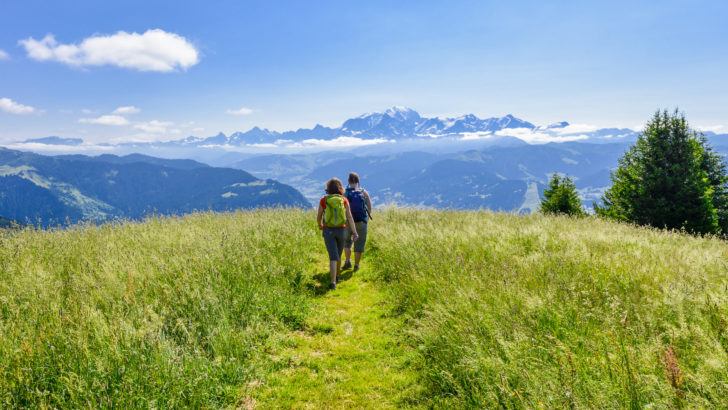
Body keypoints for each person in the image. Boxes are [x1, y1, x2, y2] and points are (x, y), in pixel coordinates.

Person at [317, 178, 358, 290]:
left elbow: (319, 215)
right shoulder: (344, 200)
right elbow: (349, 217)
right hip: (342, 230)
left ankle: (333, 282)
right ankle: (338, 276)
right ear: (340, 188)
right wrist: (354, 232)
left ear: (328, 188)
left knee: (332, 256)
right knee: (338, 255)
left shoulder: (323, 200)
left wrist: (320, 225)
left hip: (328, 230)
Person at [342, 172, 372, 272]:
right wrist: (366, 219)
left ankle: (347, 261)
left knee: (347, 241)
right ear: (358, 181)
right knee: (359, 243)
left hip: (348, 221)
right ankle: (356, 265)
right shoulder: (364, 192)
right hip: (361, 221)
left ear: (349, 181)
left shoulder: (344, 192)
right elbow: (369, 207)